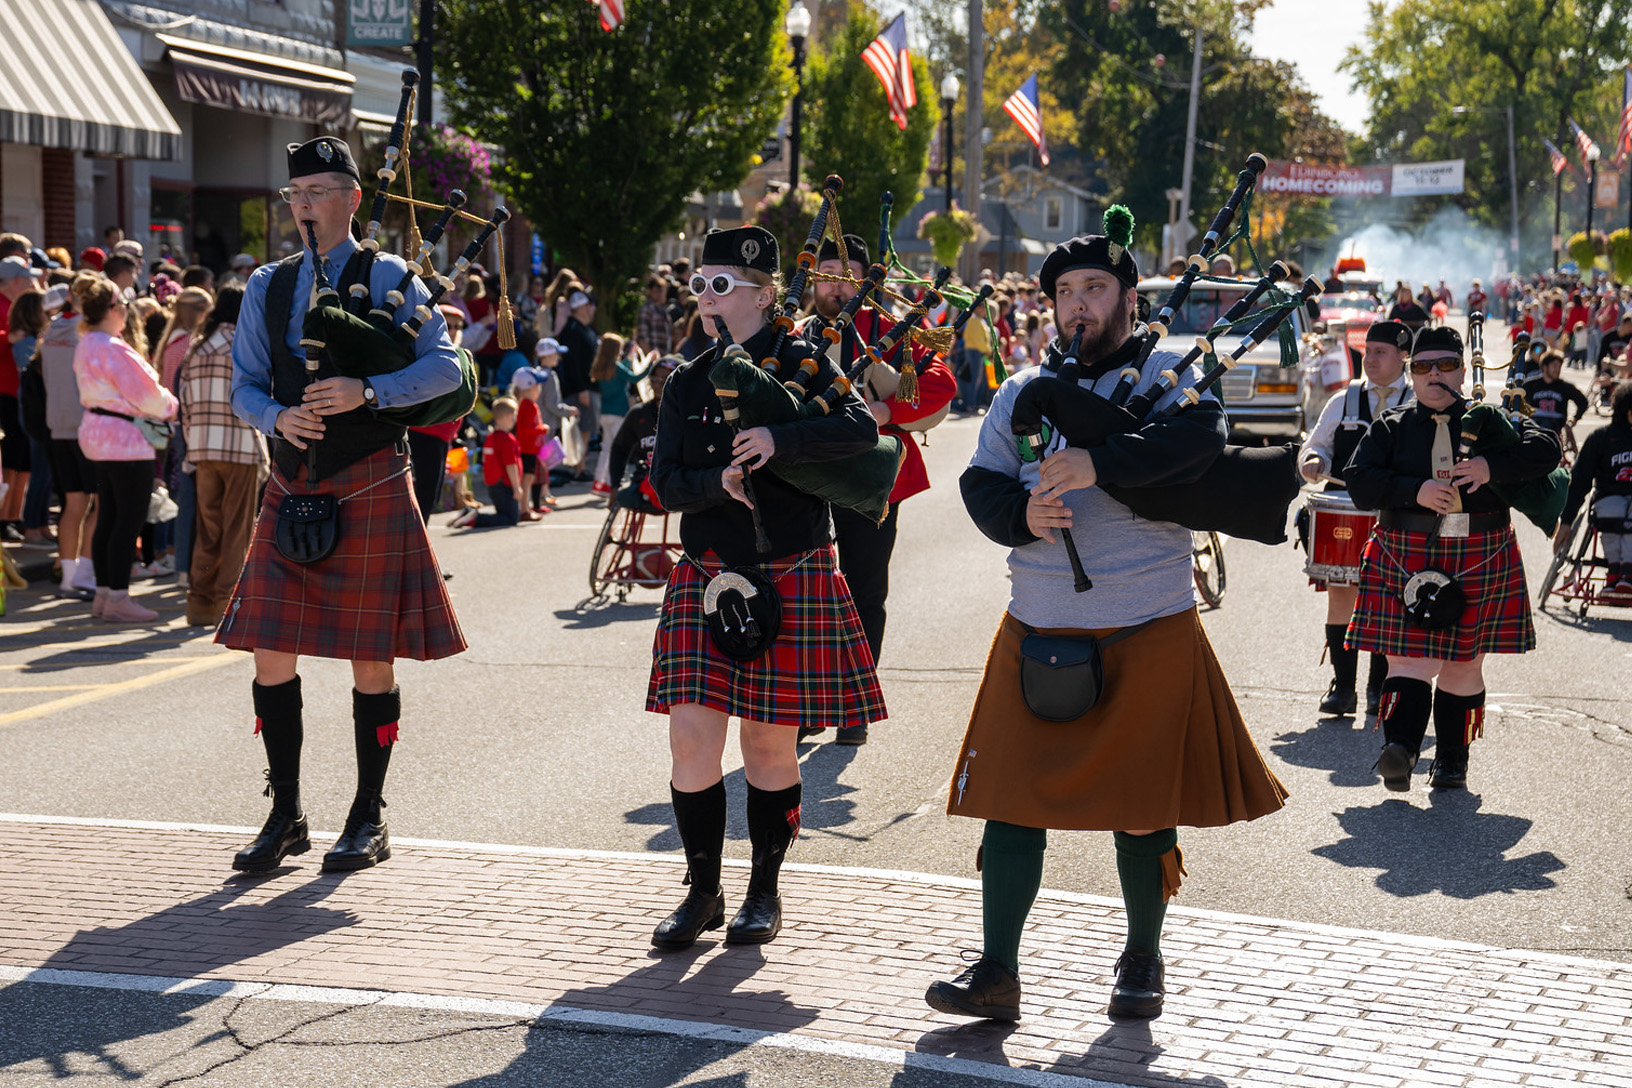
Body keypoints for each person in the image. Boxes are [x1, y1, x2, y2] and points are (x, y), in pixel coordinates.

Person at [925, 223, 1287, 1024]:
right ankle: (997, 972)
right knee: (1010, 801)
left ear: (1128, 297)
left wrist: (1098, 462)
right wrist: (1022, 513)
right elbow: (980, 481)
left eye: (1092, 289)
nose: (1075, 306)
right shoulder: (1023, 388)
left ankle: (1142, 958)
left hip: (1146, 622)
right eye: (1063, 294)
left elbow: (1199, 440)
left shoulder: (1169, 370)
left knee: (1141, 807)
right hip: (1038, 622)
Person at [221, 136, 466, 875]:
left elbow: (447, 368)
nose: (304, 208)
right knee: (269, 653)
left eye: (320, 192)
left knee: (370, 658)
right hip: (294, 479)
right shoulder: (268, 284)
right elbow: (245, 385)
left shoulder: (391, 277)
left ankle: (368, 814)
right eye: (295, 195)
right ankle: (285, 811)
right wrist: (275, 417)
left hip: (367, 476)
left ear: (353, 199)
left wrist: (369, 392)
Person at [645, 225, 885, 951]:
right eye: (701, 285)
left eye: (723, 286)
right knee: (691, 741)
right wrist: (710, 481)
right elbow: (662, 485)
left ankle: (763, 891)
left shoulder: (805, 360)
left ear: (762, 292)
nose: (708, 298)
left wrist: (783, 439)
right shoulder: (686, 379)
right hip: (708, 573)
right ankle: (701, 891)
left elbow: (858, 428)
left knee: (769, 750)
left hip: (790, 570)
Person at [1345, 326, 1561, 792]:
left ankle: (1451, 761)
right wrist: (1414, 490)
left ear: (1463, 370)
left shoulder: (1493, 422)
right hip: (1406, 550)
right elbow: (1358, 480)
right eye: (1423, 367)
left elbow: (1549, 449)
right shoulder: (1392, 427)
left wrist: (1491, 466)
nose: (1434, 375)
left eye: (1445, 365)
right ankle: (1399, 748)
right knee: (1405, 658)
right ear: (1412, 372)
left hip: (1479, 552)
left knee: (1465, 664)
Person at [793, 233, 957, 744]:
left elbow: (940, 383)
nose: (837, 288)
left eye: (848, 277)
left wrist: (887, 410)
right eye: (827, 276)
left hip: (872, 476)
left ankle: (854, 702)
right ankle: (811, 703)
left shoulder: (892, 331)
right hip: (803, 478)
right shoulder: (792, 334)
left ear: (866, 281)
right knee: (805, 589)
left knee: (866, 587)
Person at [1298, 320, 1414, 715]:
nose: (1371, 359)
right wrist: (1314, 461)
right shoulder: (1343, 399)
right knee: (1342, 598)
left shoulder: (1419, 402)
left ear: (1403, 357)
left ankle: (1379, 690)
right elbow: (1316, 447)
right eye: (1368, 352)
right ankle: (1343, 687)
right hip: (1344, 511)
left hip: (1397, 515)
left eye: (1381, 352)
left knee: (1389, 602)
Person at [71, 272, 178, 623]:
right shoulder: (113, 348)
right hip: (126, 442)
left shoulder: (87, 343)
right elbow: (149, 396)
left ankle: (105, 594)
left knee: (108, 518)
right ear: (114, 308)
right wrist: (171, 405)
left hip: (98, 436)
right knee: (126, 521)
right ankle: (117, 596)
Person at [178, 285, 265, 626]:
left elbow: (184, 402)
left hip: (201, 446)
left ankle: (198, 602)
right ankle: (228, 604)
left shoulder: (196, 347)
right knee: (237, 528)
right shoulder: (244, 345)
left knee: (208, 527)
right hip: (239, 444)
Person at [1557, 381, 1632, 591]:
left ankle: (1626, 571)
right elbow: (1579, 480)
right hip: (1609, 496)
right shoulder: (1602, 438)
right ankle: (1615, 571)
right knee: (1613, 514)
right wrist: (1567, 521)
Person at [607, 353, 679, 512]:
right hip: (646, 481)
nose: (660, 386)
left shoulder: (689, 414)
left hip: (680, 482)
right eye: (655, 381)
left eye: (665, 381)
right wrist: (614, 486)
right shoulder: (639, 414)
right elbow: (619, 449)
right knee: (625, 497)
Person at [589, 332, 655, 496]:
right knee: (616, 449)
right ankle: (610, 483)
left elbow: (623, 372)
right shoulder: (616, 368)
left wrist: (630, 358)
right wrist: (650, 364)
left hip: (604, 413)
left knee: (606, 448)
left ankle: (599, 482)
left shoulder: (601, 368)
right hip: (619, 413)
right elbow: (635, 377)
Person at [450, 397, 524, 529]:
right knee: (511, 518)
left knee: (503, 513)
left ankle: (468, 513)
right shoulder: (507, 439)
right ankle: (475, 519)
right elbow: (510, 465)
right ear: (508, 417)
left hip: (493, 484)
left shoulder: (490, 438)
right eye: (514, 417)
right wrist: (517, 487)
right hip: (505, 485)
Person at [508, 366, 550, 518]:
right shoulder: (527, 405)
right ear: (530, 387)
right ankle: (525, 509)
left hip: (531, 448)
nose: (539, 389)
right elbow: (524, 429)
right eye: (537, 386)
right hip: (527, 448)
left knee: (528, 479)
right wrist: (541, 429)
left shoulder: (527, 404)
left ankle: (526, 508)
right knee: (527, 480)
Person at [1523, 350, 1589, 444]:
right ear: (1544, 367)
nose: (1557, 369)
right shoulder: (1531, 385)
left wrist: (1575, 418)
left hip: (1554, 422)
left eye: (1559, 366)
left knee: (1545, 427)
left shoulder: (1564, 387)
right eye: (1554, 366)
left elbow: (1583, 402)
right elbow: (1516, 398)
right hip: (1534, 420)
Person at [636, 273, 674, 355]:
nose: (660, 294)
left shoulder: (663, 310)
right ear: (650, 292)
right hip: (652, 358)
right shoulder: (646, 310)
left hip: (663, 357)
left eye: (662, 290)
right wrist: (650, 361)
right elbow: (643, 338)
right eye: (656, 291)